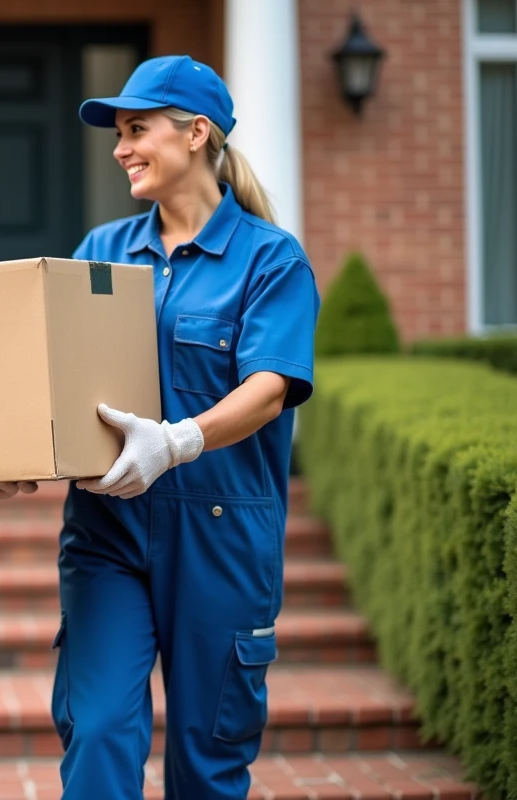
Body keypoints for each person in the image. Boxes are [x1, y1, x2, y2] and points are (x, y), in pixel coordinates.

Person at [50, 55, 321, 799]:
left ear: (196, 133)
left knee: (208, 760)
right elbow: (52, 381)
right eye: (118, 133)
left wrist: (176, 442)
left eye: (137, 129)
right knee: (100, 730)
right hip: (107, 532)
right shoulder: (99, 253)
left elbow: (268, 389)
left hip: (221, 532)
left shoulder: (270, 260)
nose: (120, 147)